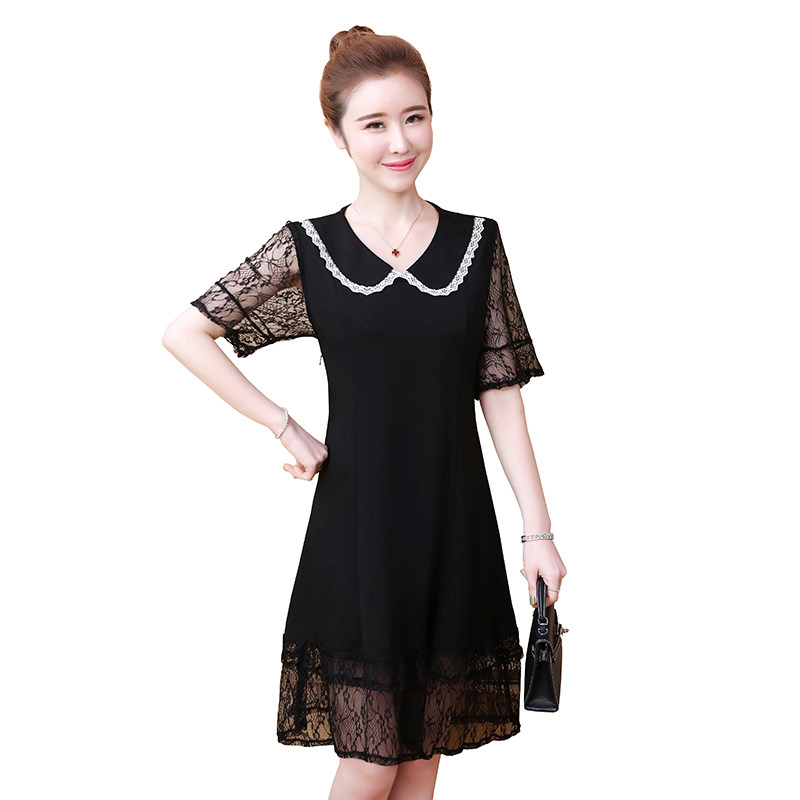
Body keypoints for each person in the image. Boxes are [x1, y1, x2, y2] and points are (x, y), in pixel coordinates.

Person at [162, 25, 567, 800]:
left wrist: (538, 534)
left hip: (454, 527)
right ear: (337, 133)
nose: (400, 141)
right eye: (375, 123)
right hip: (359, 534)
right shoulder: (308, 246)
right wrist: (283, 424)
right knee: (374, 757)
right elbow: (185, 333)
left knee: (422, 758)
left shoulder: (477, 242)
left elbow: (500, 390)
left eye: (414, 117)